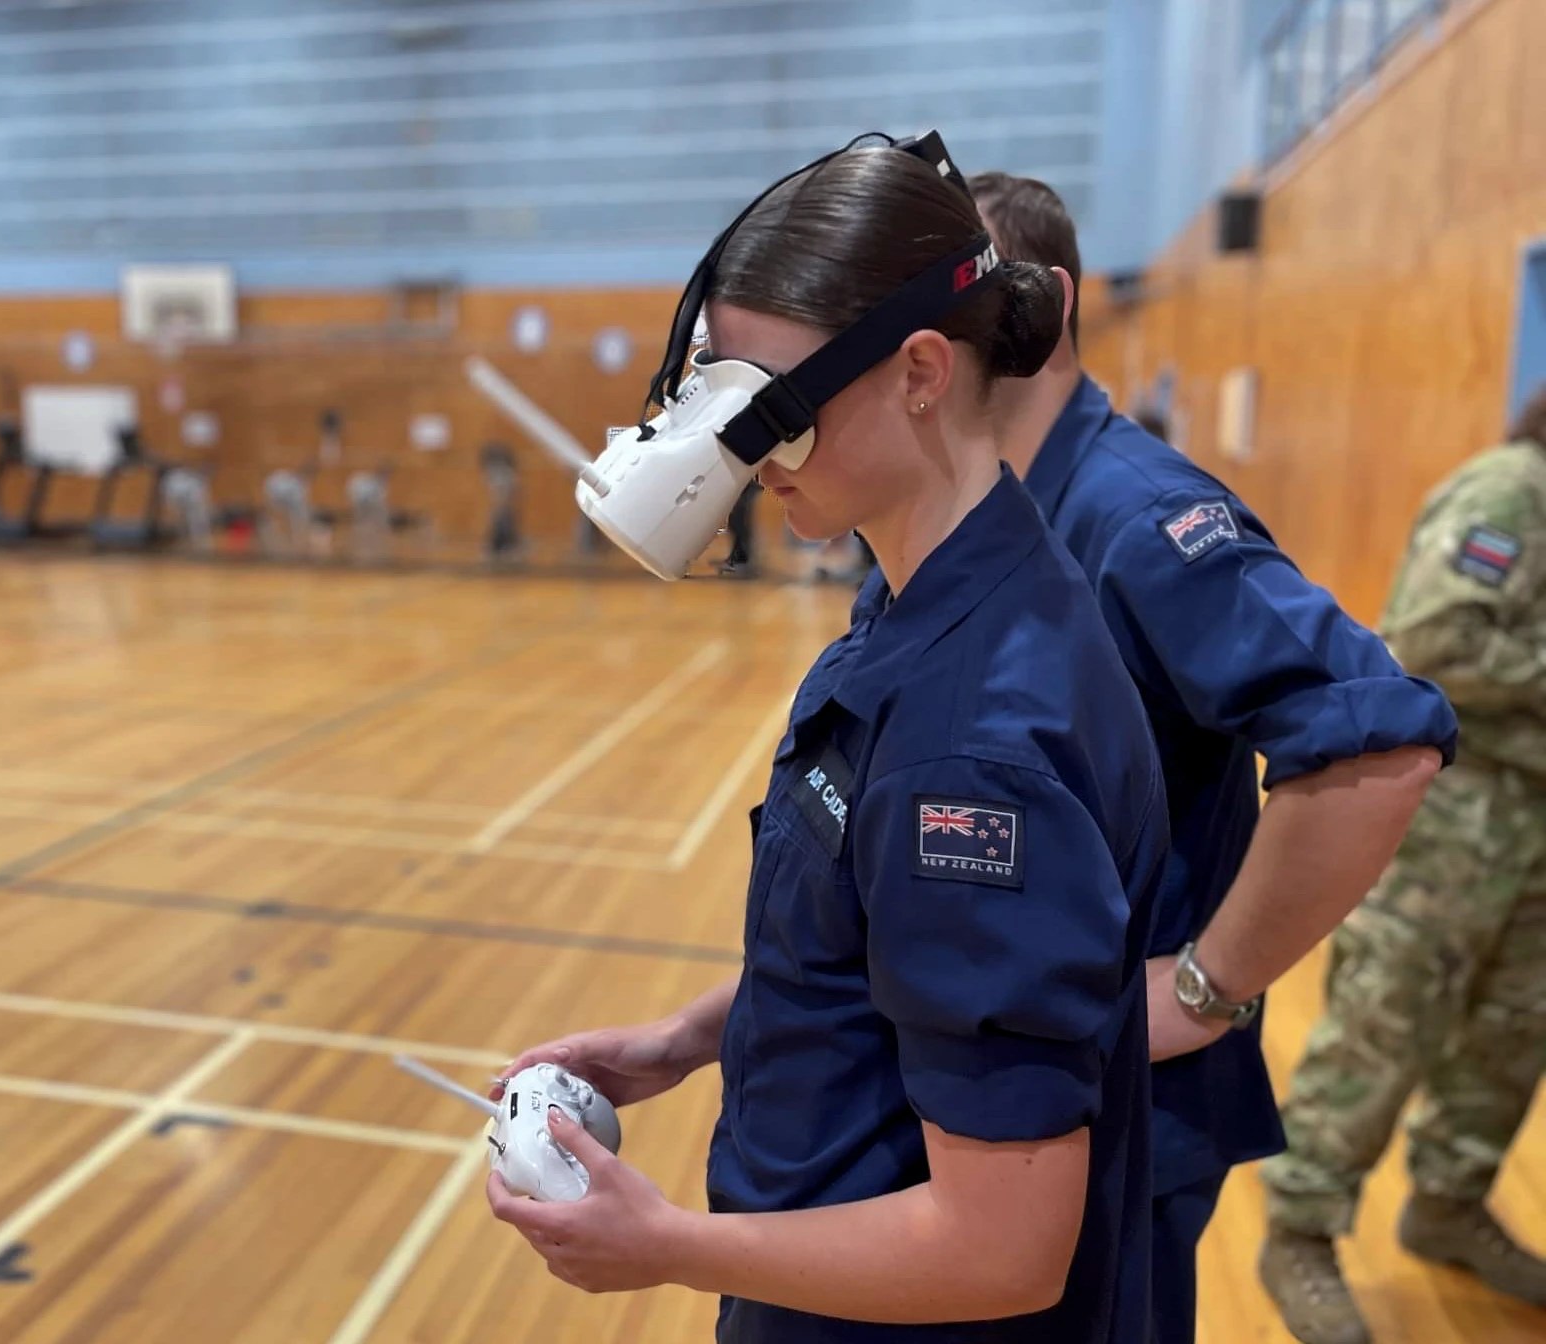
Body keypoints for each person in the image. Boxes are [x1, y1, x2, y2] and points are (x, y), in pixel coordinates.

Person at [489, 139, 1166, 1341]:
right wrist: (689, 1038)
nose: (741, 466)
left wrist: (664, 1248)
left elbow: (999, 1250)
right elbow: (890, 950)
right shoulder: (930, 593)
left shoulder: (977, 754)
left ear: (917, 371)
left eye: (773, 416)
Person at [962, 172, 1456, 1343]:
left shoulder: (1140, 519)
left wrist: (1205, 987)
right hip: (1000, 1093)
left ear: (1042, 304)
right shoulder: (967, 513)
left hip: (1127, 1111)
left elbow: (1378, 733)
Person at [1258, 385, 1546, 1344]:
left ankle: (1449, 1205)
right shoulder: (1510, 490)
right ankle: (1299, 1228)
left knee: (1510, 1037)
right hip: (1457, 829)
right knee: (1385, 1024)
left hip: (1535, 835)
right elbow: (1436, 636)